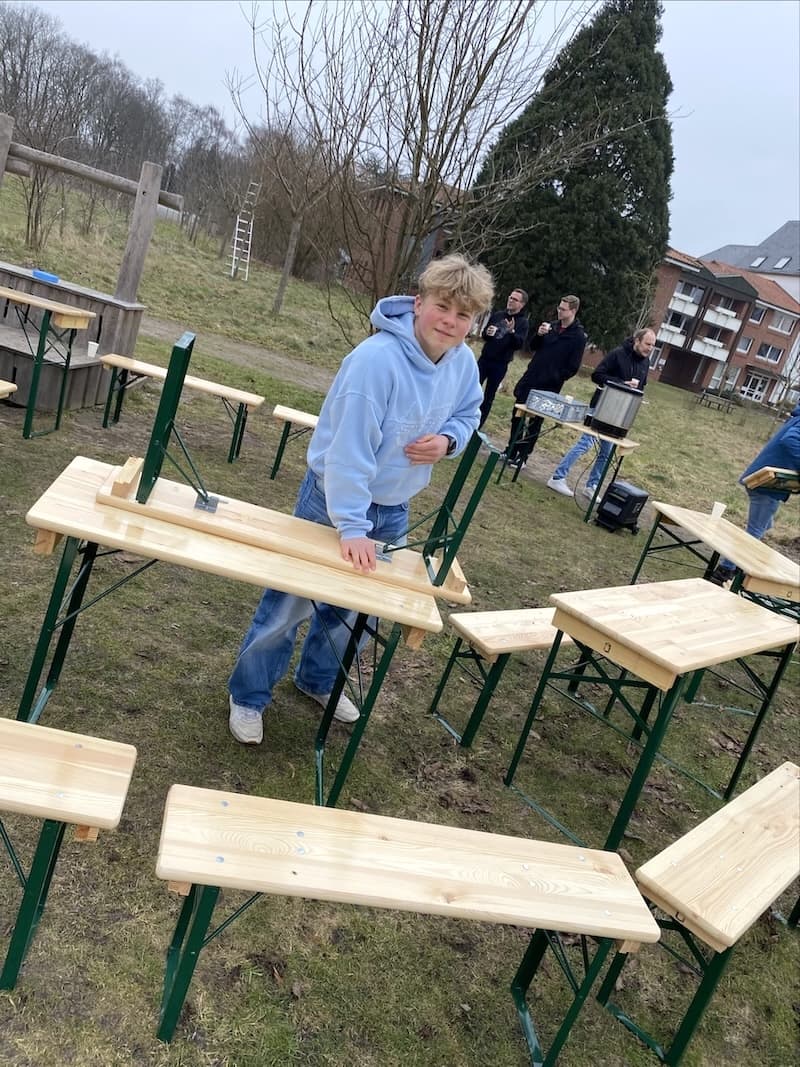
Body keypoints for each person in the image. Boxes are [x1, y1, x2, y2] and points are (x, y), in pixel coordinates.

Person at [227, 254, 494, 744]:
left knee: (350, 609)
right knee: (289, 603)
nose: (450, 321)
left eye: (463, 315)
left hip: (394, 509)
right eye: (442, 307)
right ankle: (248, 695)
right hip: (333, 501)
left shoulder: (462, 363)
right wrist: (351, 525)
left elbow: (469, 412)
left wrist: (449, 441)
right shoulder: (376, 362)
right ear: (419, 303)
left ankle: (317, 680)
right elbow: (347, 452)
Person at [546, 327, 656, 499]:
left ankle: (592, 485)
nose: (650, 348)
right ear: (637, 341)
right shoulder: (617, 354)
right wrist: (620, 383)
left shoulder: (645, 363)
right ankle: (557, 477)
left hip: (620, 415)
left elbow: (641, 386)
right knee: (585, 444)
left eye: (652, 345)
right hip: (601, 407)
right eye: (647, 344)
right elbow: (597, 375)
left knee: (606, 452)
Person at [709, 402, 800, 585]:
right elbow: (789, 440)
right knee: (755, 531)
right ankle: (725, 571)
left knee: (764, 526)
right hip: (766, 483)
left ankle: (733, 565)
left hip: (768, 482)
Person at [505, 294, 587, 467]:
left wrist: (557, 376)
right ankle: (511, 449)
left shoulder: (578, 336)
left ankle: (523, 456)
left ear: (573, 311)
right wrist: (539, 335)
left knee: (535, 421)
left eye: (563, 309)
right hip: (532, 376)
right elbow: (533, 346)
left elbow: (573, 366)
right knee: (517, 413)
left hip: (550, 384)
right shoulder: (552, 326)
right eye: (559, 308)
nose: (559, 311)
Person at [476, 288, 529, 427]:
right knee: (472, 390)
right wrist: (487, 333)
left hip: (500, 364)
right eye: (510, 297)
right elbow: (485, 335)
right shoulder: (498, 315)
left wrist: (511, 332)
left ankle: (478, 426)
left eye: (515, 299)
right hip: (485, 359)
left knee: (488, 396)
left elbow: (519, 344)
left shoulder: (523, 322)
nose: (511, 300)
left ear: (522, 304)